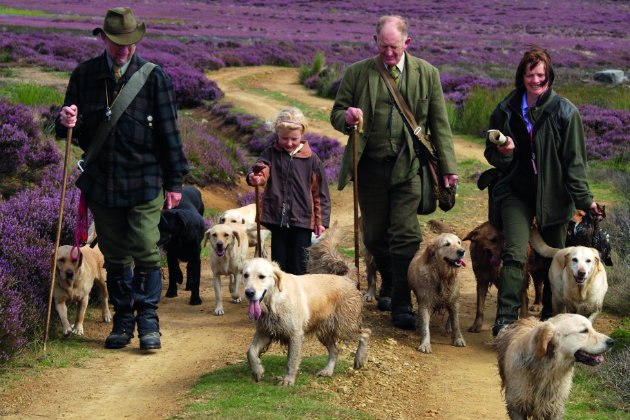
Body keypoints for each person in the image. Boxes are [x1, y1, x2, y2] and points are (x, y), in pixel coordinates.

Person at [56, 7, 189, 350]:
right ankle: (122, 321)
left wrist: (174, 182)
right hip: (102, 182)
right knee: (114, 256)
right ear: (103, 38)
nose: (124, 49)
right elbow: (69, 126)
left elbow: (170, 134)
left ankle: (148, 322)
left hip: (145, 180)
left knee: (145, 248)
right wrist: (65, 120)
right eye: (117, 42)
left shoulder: (155, 78)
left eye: (130, 42)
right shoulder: (84, 75)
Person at [330, 15, 458, 330]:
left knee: (406, 235)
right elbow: (335, 114)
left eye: (395, 47)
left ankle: (401, 301)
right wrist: (346, 117)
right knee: (374, 237)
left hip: (409, 168)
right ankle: (389, 280)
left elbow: (440, 125)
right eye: (384, 46)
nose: (389, 53)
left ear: (407, 44)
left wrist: (448, 169)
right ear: (376, 42)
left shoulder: (427, 74)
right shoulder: (357, 73)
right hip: (369, 168)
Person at [485, 46, 602, 337]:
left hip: (555, 197)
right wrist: (505, 151)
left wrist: (585, 201)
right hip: (517, 192)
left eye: (541, 74)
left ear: (549, 76)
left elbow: (575, 163)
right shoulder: (505, 110)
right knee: (514, 253)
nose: (536, 80)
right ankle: (506, 321)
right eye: (530, 74)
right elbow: (492, 154)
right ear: (521, 76)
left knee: (557, 257)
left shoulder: (565, 112)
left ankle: (550, 318)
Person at [247, 107, 331, 275]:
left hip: (303, 220)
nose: (289, 143)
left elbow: (320, 193)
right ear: (277, 133)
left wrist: (320, 221)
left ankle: (299, 299)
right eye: (284, 138)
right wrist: (255, 177)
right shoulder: (270, 153)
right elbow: (262, 169)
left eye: (294, 139)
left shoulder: (312, 160)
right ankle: (281, 298)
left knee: (300, 265)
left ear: (302, 134)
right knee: (279, 265)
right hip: (278, 219)